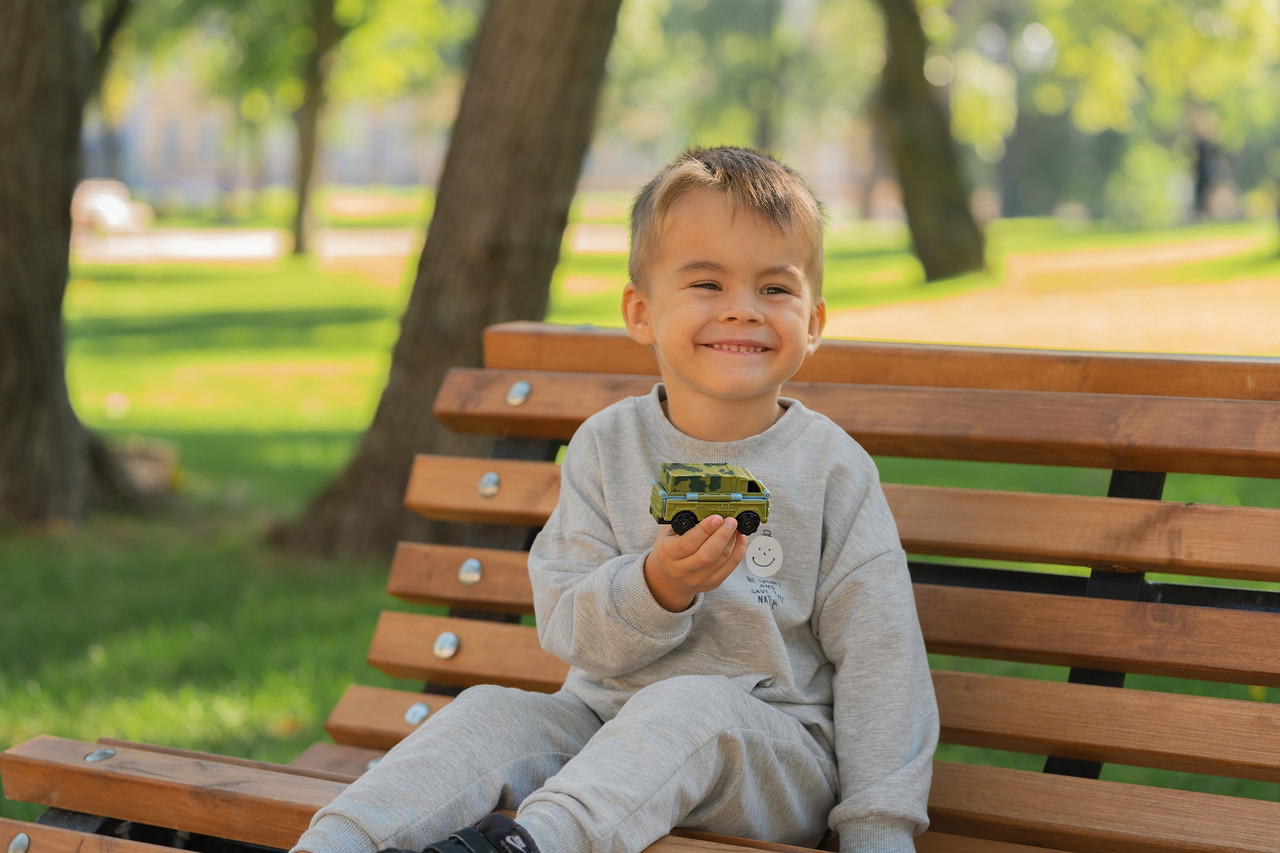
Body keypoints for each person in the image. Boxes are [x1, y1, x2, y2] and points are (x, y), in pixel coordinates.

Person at [291, 146, 938, 853]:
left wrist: (879, 833)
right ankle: (339, 843)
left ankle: (528, 847)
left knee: (689, 702)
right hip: (600, 730)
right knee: (488, 712)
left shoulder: (833, 469)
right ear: (640, 311)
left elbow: (884, 661)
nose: (743, 310)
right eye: (706, 283)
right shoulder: (606, 446)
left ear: (813, 321)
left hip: (771, 759)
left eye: (775, 290)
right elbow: (567, 623)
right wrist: (655, 588)